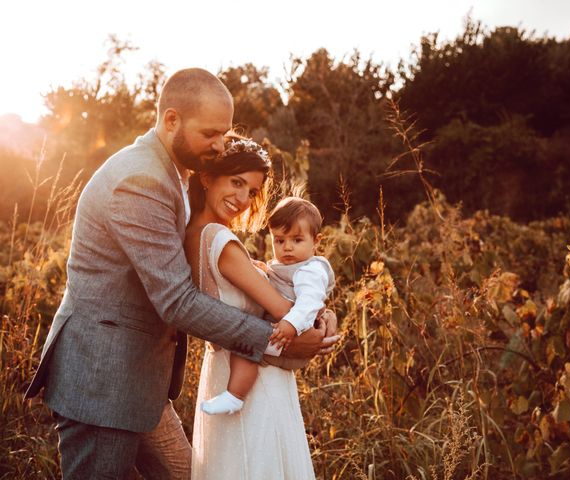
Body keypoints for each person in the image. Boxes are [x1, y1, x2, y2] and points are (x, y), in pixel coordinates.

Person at [24, 68, 338, 479]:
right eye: (210, 133)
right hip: (103, 380)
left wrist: (311, 311)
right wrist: (277, 342)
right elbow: (177, 300)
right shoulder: (141, 180)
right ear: (171, 120)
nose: (219, 144)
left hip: (143, 383)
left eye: (224, 133)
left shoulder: (177, 173)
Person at [185, 137, 317, 479]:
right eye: (236, 182)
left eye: (253, 191)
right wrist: (319, 313)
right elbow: (282, 308)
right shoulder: (220, 241)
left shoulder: (192, 234)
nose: (243, 199)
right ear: (206, 177)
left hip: (225, 373)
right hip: (257, 384)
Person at [201, 195, 334, 415]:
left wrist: (290, 324)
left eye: (297, 240)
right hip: (283, 334)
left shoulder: (311, 270)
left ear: (317, 241)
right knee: (248, 345)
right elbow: (276, 281)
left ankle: (235, 396)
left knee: (248, 347)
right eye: (279, 241)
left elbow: (309, 302)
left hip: (294, 337)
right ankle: (234, 396)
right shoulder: (289, 265)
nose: (287, 248)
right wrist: (261, 269)